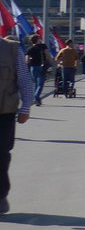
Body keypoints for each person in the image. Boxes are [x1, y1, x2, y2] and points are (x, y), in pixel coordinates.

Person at [2, 32, 37, 216]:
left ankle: (0, 195)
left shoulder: (11, 49)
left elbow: (25, 81)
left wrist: (26, 108)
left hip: (4, 113)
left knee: (1, 156)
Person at [26, 33, 49, 107]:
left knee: (35, 83)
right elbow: (47, 55)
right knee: (40, 84)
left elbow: (27, 60)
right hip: (41, 67)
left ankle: (37, 100)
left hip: (33, 67)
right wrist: (52, 61)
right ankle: (36, 96)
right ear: (37, 40)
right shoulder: (43, 46)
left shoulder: (30, 49)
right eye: (39, 38)